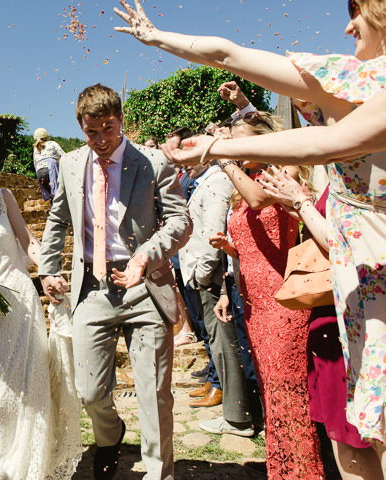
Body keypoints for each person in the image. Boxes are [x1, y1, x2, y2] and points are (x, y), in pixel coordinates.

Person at [115, 0, 386, 467]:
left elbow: (325, 143)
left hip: (374, 273)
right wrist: (155, 37)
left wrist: (218, 147)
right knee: (367, 434)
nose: (347, 25)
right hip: (358, 286)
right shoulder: (348, 78)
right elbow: (227, 54)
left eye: (358, 9)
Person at [39, 84, 192, 480]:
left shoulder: (154, 162)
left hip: (146, 288)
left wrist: (146, 256)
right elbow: (58, 219)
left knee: (153, 394)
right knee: (90, 393)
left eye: (109, 129)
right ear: (81, 128)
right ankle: (110, 438)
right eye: (92, 132)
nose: (102, 140)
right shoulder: (71, 165)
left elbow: (180, 221)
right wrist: (49, 267)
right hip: (91, 289)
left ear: (121, 121)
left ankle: (160, 473)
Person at [0, 142, 82, 479]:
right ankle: (6, 465)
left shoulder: (3, 197)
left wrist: (48, 272)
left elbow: (29, 242)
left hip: (21, 302)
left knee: (31, 388)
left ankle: (32, 467)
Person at [205, 111, 324, 478]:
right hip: (253, 302)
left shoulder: (282, 171)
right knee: (273, 392)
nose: (240, 151)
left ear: (262, 139)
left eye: (245, 142)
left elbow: (258, 201)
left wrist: (224, 160)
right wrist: (231, 256)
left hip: (283, 300)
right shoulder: (245, 184)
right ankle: (283, 468)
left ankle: (304, 471)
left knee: (290, 392)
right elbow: (254, 246)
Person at [259, 169, 381, 480]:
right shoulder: (345, 171)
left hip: (364, 323)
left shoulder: (368, 172)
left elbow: (342, 243)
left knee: (364, 438)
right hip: (338, 318)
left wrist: (301, 203)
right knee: (347, 438)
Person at [178, 157, 257, 435]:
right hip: (207, 278)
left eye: (189, 159)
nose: (184, 166)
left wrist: (200, 275)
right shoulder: (205, 182)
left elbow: (213, 233)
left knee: (224, 347)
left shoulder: (217, 182)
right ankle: (237, 414)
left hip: (210, 278)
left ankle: (237, 417)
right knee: (218, 344)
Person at [32, 127, 66, 202]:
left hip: (39, 173)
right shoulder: (52, 144)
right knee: (57, 193)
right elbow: (64, 156)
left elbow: (35, 163)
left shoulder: (36, 149)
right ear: (46, 137)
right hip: (50, 169)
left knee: (51, 195)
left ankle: (52, 210)